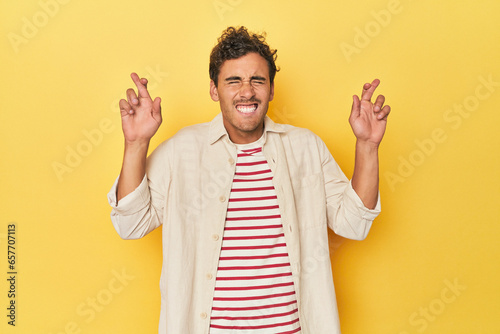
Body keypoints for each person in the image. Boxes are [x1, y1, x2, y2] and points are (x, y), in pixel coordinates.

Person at [107, 26, 390, 334]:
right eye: (233, 81)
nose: (247, 91)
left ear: (271, 89)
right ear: (214, 90)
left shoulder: (305, 148)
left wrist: (368, 146)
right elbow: (130, 224)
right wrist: (135, 143)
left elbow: (354, 224)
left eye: (257, 80)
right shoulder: (182, 150)